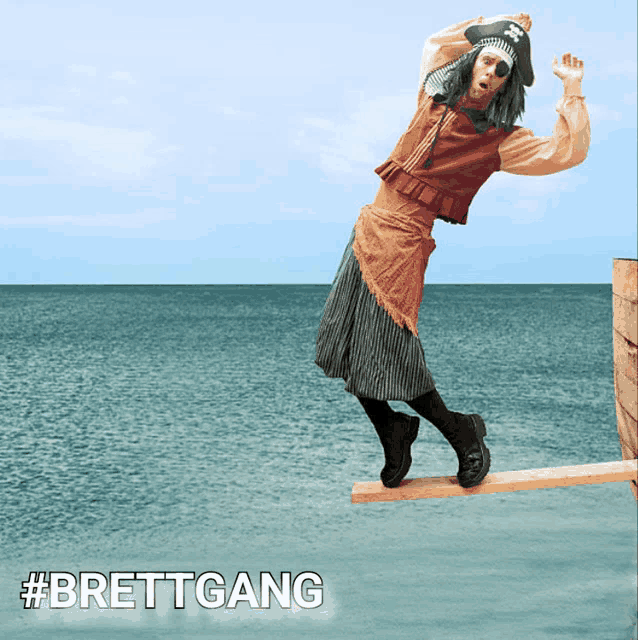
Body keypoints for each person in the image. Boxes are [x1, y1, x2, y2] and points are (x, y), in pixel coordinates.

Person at [315, 13, 590, 489]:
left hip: (403, 247)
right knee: (342, 344)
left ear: (508, 85)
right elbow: (434, 44)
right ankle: (393, 428)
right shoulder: (432, 94)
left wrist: (572, 90)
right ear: (473, 61)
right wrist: (492, 23)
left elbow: (568, 152)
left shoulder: (501, 141)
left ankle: (460, 431)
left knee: (393, 352)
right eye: (487, 61)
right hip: (367, 230)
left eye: (502, 71)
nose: (490, 74)